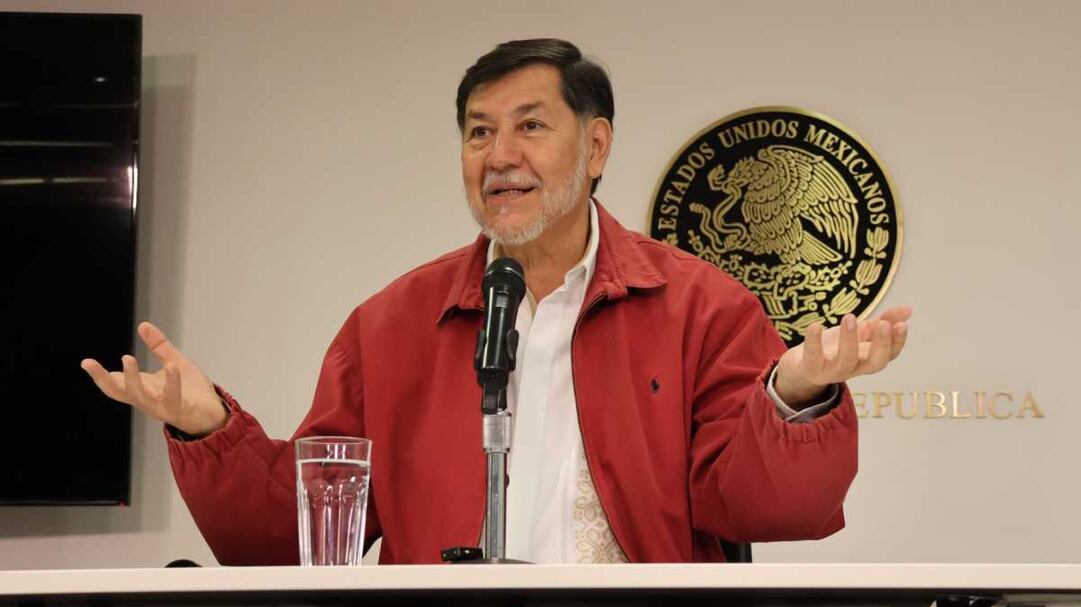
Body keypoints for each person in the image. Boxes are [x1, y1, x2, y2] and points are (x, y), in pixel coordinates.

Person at [81, 39, 911, 565]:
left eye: (530, 127)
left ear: (595, 146)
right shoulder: (391, 324)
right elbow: (292, 538)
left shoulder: (701, 306)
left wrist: (796, 394)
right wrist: (208, 430)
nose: (499, 155)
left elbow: (762, 505)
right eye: (479, 132)